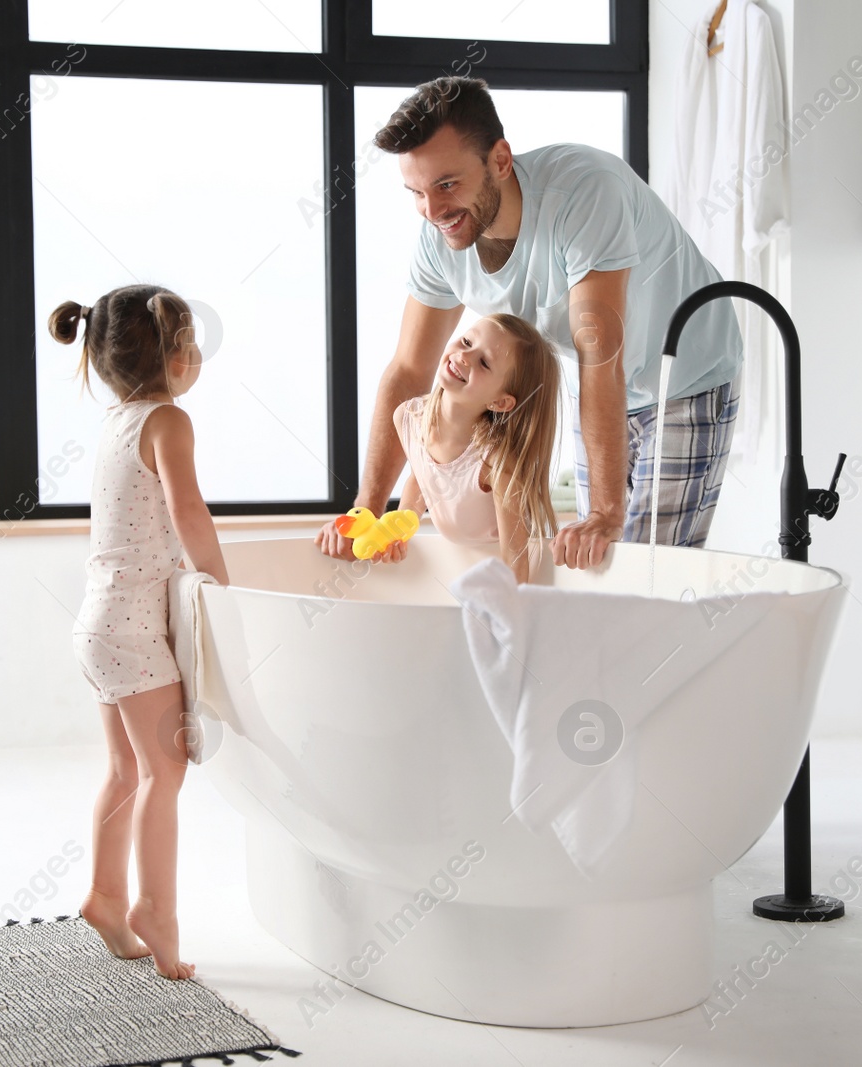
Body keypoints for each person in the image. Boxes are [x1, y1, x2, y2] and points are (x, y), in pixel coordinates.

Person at [316, 76, 741, 570]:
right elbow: (410, 369)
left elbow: (600, 357)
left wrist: (605, 512)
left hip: (684, 374)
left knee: (648, 573)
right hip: (600, 388)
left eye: (447, 184)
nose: (433, 211)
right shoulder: (439, 239)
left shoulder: (583, 194)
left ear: (499, 160)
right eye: (416, 192)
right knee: (598, 564)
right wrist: (367, 509)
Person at [49, 284, 228, 981]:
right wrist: (222, 583)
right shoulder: (169, 422)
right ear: (176, 355)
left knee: (127, 769)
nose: (200, 356)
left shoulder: (119, 421)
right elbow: (189, 510)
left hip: (98, 624)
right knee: (166, 770)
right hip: (129, 627)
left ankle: (105, 893)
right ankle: (156, 909)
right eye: (195, 344)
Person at [386, 312, 561, 583]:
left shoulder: (496, 462)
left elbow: (515, 557)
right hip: (462, 556)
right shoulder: (408, 418)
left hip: (501, 557)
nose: (464, 356)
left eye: (484, 363)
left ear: (500, 402)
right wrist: (400, 528)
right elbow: (421, 478)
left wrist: (510, 616)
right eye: (467, 341)